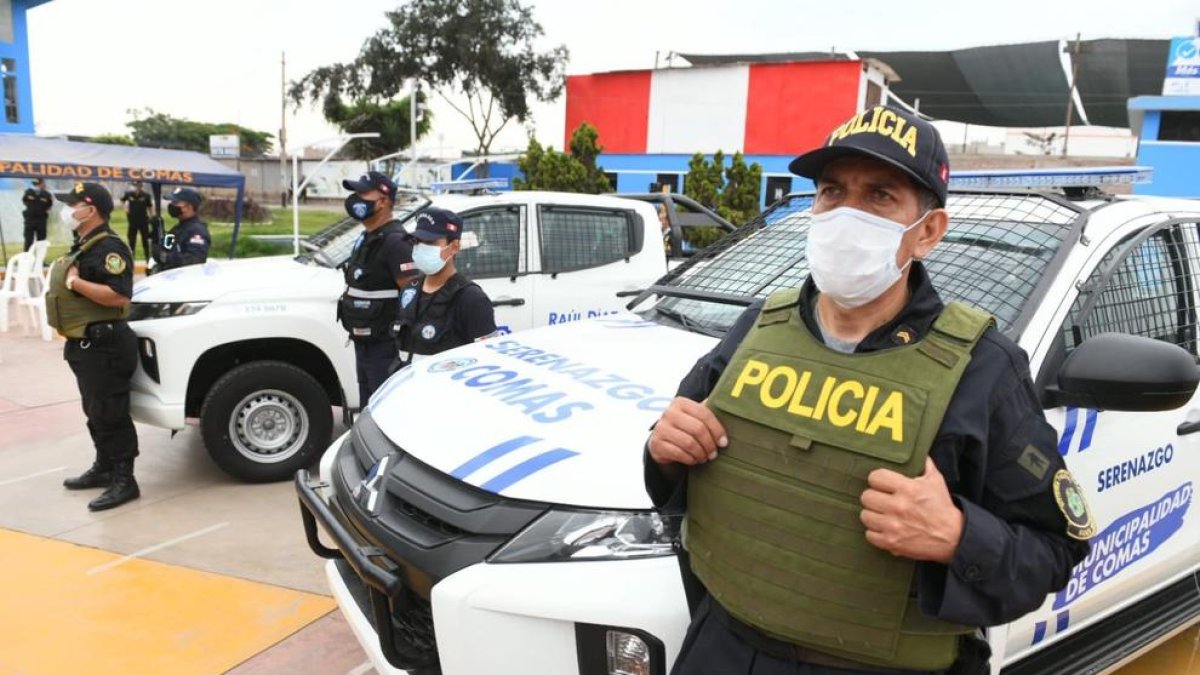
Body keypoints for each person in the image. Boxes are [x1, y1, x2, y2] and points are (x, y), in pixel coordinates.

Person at [645, 105, 1092, 675]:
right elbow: (675, 458)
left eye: (879, 196)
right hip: (724, 651)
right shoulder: (759, 328)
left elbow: (1055, 552)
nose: (846, 214)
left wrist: (958, 535)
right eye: (832, 191)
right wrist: (663, 450)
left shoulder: (983, 369)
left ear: (927, 231)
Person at [45, 183, 140, 511]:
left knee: (111, 412)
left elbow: (118, 296)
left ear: (91, 210)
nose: (67, 211)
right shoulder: (84, 245)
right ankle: (104, 467)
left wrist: (75, 282)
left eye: (73, 204)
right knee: (95, 411)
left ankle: (125, 480)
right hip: (86, 346)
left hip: (106, 346)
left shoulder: (109, 247)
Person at [337, 171, 417, 405]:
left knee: (384, 408)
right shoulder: (367, 238)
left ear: (382, 201)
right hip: (364, 344)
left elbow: (412, 294)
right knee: (368, 407)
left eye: (362, 194)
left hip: (385, 347)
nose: (355, 199)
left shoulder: (396, 242)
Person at [391, 207, 496, 369]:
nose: (420, 247)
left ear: (454, 247)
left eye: (429, 242)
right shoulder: (410, 290)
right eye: (417, 241)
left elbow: (487, 361)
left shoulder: (471, 299)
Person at [153, 187, 210, 271]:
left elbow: (193, 261)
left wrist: (166, 257)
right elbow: (163, 248)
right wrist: (156, 233)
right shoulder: (178, 228)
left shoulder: (197, 231)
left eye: (175, 202)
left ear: (188, 207)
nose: (171, 205)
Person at [121, 180, 154, 262]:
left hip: (143, 221)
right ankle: (131, 258)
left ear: (141, 186)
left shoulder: (146, 195)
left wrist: (152, 216)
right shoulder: (129, 194)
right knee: (132, 240)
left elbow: (150, 207)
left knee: (145, 240)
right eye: (135, 185)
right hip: (132, 221)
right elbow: (123, 200)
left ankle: (147, 258)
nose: (137, 187)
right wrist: (126, 208)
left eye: (139, 185)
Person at [21, 177, 52, 251]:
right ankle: (27, 256)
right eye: (35, 184)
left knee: (41, 240)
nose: (37, 186)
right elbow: (24, 201)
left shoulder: (46, 194)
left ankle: (40, 257)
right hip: (30, 219)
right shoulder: (28, 192)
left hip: (41, 219)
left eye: (38, 184)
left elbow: (49, 206)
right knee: (28, 239)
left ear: (42, 184)